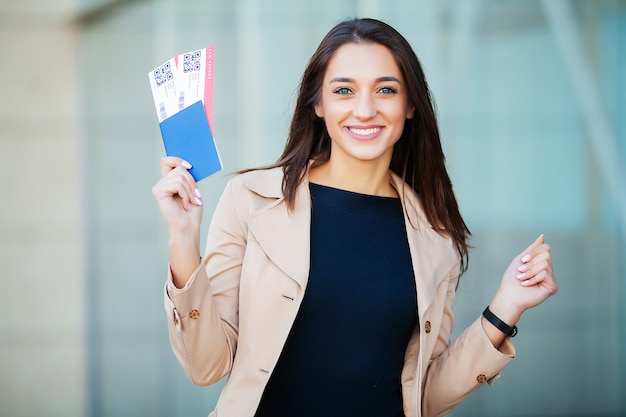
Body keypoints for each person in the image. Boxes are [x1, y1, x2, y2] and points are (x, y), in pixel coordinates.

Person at [152, 17, 557, 417]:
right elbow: (206, 367)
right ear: (318, 103)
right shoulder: (251, 201)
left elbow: (423, 396)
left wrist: (505, 309)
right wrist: (184, 242)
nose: (365, 110)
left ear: (410, 105)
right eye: (344, 90)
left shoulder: (435, 236)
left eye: (385, 90)